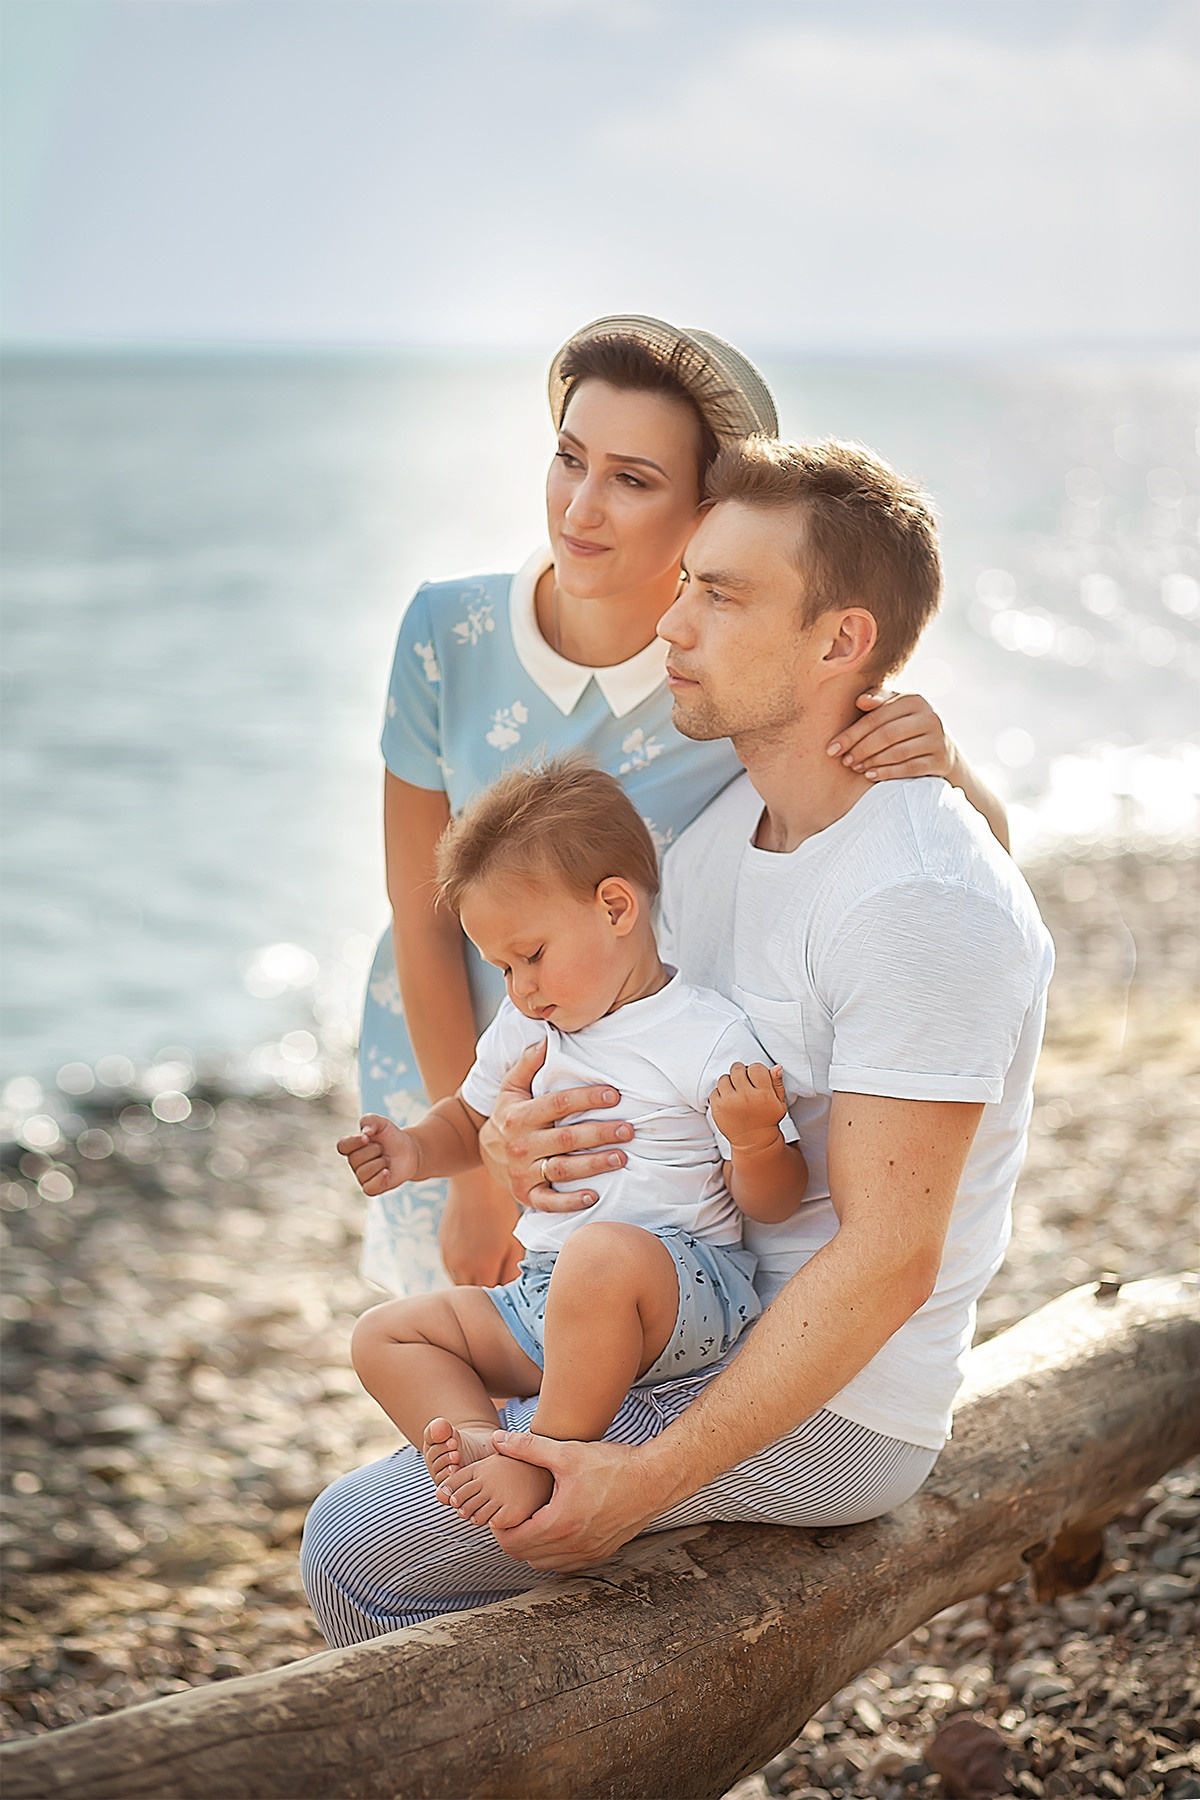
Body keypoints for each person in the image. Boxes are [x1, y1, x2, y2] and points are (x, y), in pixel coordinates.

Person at [301, 434, 1051, 1646]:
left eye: (722, 594)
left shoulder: (922, 896)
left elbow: (890, 1261)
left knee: (354, 1553)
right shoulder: (718, 839)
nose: (673, 626)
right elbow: (619, 1030)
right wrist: (515, 1148)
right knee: (415, 1370)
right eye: (687, 581)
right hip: (682, 1314)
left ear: (840, 643)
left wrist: (639, 1483)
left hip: (838, 1402)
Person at [356, 313, 1006, 1300]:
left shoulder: (733, 685)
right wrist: (478, 1161)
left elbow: (975, 866)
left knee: (570, 1376)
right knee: (447, 1363)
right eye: (569, 458)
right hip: (452, 1064)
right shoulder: (447, 629)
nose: (580, 506)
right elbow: (421, 911)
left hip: (634, 1103)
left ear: (709, 509)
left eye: (632, 478)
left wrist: (949, 762)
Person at [339, 761, 805, 1534]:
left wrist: (757, 1142)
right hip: (548, 1300)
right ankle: (481, 1447)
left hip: (677, 1290)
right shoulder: (531, 1028)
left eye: (531, 955)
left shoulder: (703, 1034)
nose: (519, 988)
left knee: (600, 1257)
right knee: (385, 1332)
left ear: (615, 906)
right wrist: (415, 1151)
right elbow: (471, 1119)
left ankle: (546, 1453)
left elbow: (775, 1202)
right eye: (502, 969)